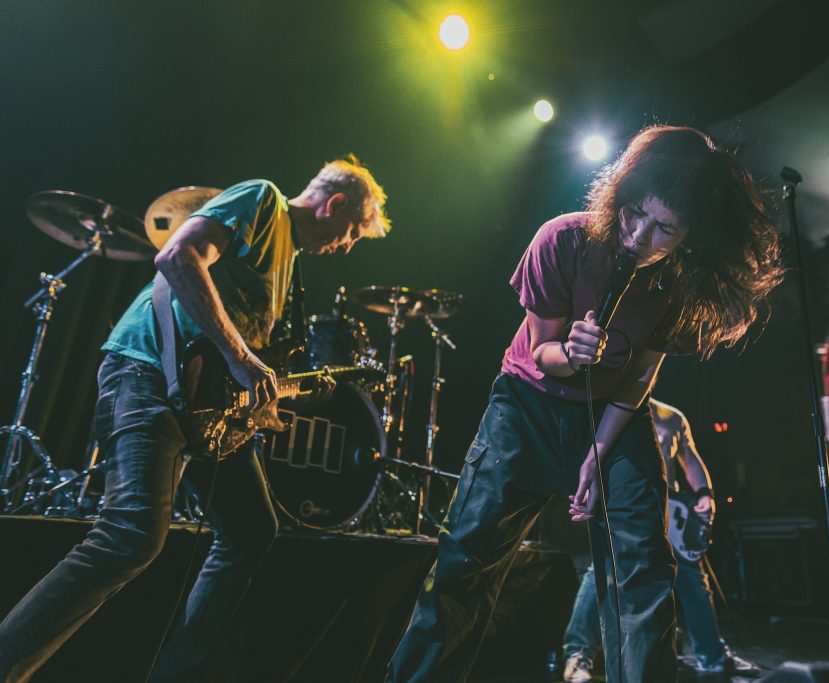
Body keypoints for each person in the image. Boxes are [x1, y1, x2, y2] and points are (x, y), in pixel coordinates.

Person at [386, 125, 783, 683]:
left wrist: (597, 453)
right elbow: (541, 350)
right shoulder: (562, 240)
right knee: (465, 561)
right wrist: (572, 356)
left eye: (665, 228)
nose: (640, 237)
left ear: (691, 236)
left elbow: (641, 374)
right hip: (527, 405)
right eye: (635, 214)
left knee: (644, 570)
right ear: (623, 195)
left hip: (614, 416)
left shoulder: (679, 283)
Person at [0, 157, 390, 683]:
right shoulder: (262, 199)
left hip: (204, 402)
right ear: (334, 204)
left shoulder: (289, 267)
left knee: (251, 531)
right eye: (351, 233)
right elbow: (177, 255)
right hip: (147, 371)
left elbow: (239, 354)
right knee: (129, 536)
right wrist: (243, 359)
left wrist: (273, 395)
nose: (346, 247)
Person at [562, 399, 758, 681]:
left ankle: (711, 655)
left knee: (693, 581)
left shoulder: (672, 416)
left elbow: (690, 458)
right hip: (622, 508)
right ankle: (578, 653)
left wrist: (705, 493)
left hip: (667, 513)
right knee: (601, 574)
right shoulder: (606, 410)